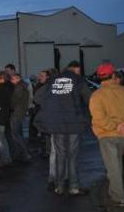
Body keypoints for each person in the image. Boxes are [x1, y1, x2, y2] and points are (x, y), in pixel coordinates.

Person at [34, 61, 91, 196]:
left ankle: (59, 187)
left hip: (56, 123)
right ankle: (73, 187)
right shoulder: (78, 80)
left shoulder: (53, 80)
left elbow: (37, 98)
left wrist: (53, 106)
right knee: (72, 155)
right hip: (74, 123)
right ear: (75, 69)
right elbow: (90, 99)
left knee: (60, 155)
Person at [89, 62, 124, 206]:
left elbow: (99, 119)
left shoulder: (97, 96)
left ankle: (118, 197)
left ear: (99, 77)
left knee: (113, 167)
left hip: (106, 135)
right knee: (116, 164)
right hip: (123, 135)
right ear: (113, 75)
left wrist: (116, 126)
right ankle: (114, 191)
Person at [9, 74, 32, 162]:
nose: (11, 81)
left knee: (15, 134)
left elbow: (14, 101)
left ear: (18, 79)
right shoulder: (23, 86)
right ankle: (21, 152)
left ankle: (25, 152)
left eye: (13, 79)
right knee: (18, 133)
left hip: (16, 113)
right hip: (20, 112)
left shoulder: (18, 88)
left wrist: (10, 105)